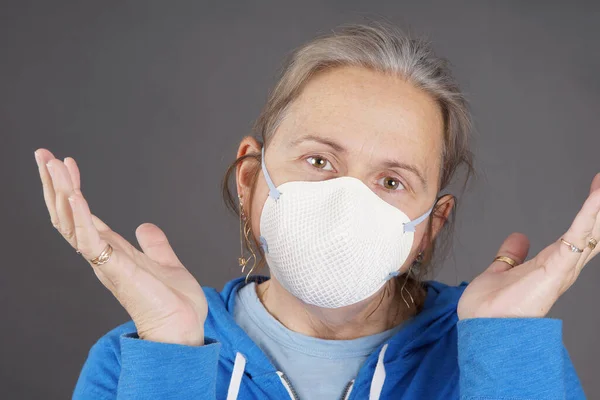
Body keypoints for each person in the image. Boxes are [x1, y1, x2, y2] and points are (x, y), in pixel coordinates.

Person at [33, 21, 597, 400]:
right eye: (320, 161)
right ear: (252, 180)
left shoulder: (510, 352)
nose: (347, 201)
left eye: (393, 180)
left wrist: (504, 347)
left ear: (429, 227)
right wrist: (171, 353)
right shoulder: (136, 356)